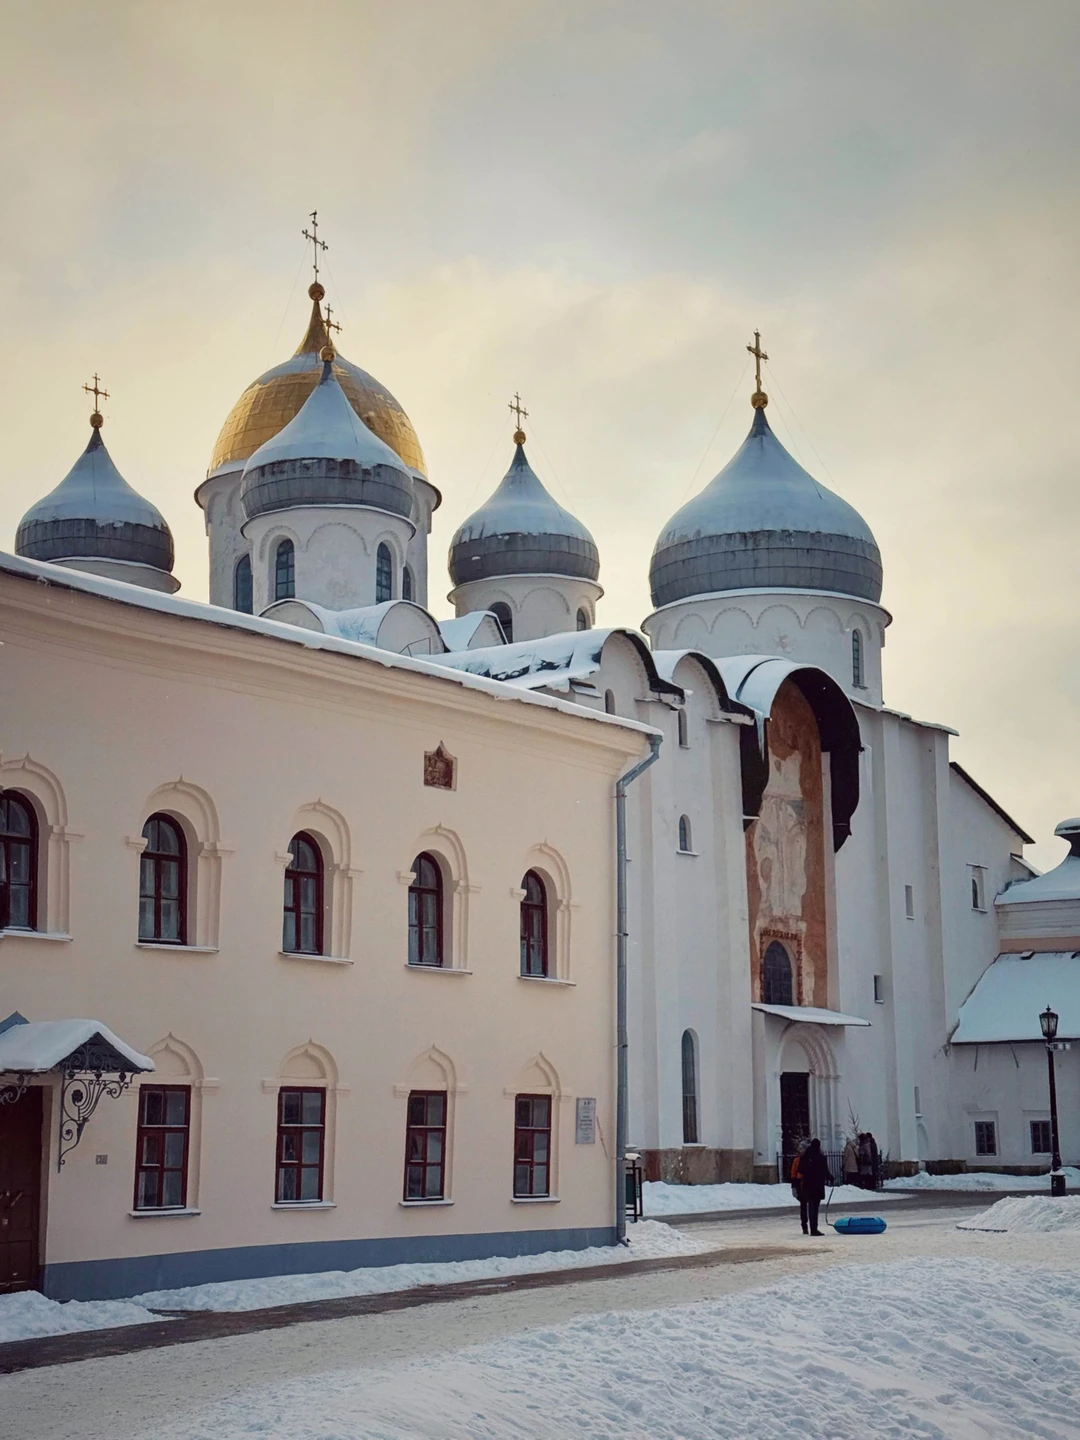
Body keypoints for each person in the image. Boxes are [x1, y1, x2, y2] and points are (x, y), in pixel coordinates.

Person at [795, 1137, 832, 1236]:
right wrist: (831, 1178)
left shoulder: (805, 1156)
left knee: (810, 1205)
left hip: (808, 1184)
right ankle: (814, 1228)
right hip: (818, 1185)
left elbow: (801, 1170)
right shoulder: (820, 1157)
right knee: (815, 1207)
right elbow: (825, 1171)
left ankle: (812, 1228)